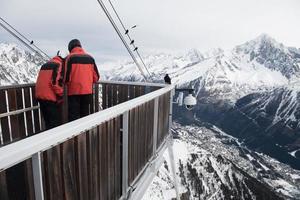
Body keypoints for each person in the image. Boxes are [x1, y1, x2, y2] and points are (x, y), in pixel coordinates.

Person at [64, 39, 100, 121]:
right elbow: (96, 77)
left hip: (73, 92)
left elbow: (66, 78)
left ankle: (75, 133)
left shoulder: (69, 58)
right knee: (85, 116)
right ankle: (85, 133)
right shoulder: (90, 58)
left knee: (74, 117)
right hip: (87, 92)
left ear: (70, 48)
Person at [35, 55, 64, 130]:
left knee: (47, 121)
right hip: (49, 97)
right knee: (55, 123)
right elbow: (54, 83)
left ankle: (48, 139)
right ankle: (56, 140)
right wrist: (62, 94)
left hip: (40, 96)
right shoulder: (58, 65)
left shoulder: (44, 65)